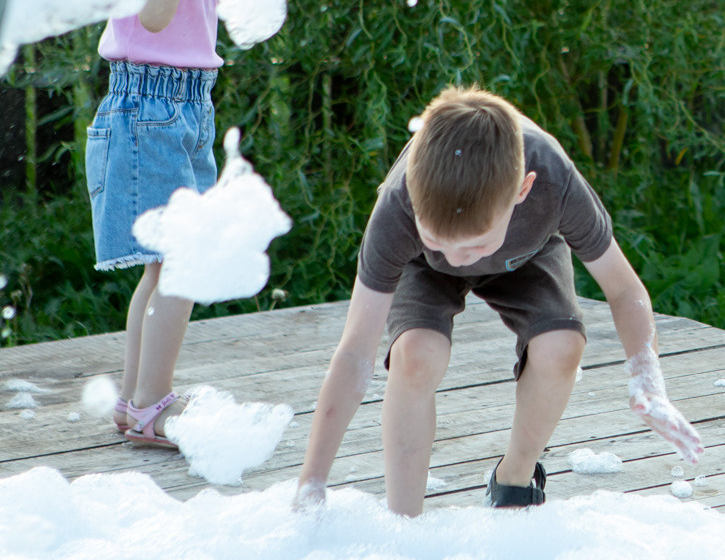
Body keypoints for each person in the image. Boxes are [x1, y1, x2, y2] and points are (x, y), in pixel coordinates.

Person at [292, 85, 703, 515]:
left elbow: (624, 289)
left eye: (475, 245)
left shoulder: (553, 178)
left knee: (562, 345)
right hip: (422, 268)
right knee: (416, 355)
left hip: (527, 254)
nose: (458, 258)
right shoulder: (398, 205)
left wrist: (648, 379)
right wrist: (312, 480)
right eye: (440, 240)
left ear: (523, 191)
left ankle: (514, 479)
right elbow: (354, 353)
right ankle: (404, 520)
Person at [89, 0, 267, 447]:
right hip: (147, 104)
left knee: (164, 267)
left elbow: (246, 6)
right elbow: (157, 16)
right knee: (182, 261)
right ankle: (149, 403)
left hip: (187, 105)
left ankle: (136, 398)